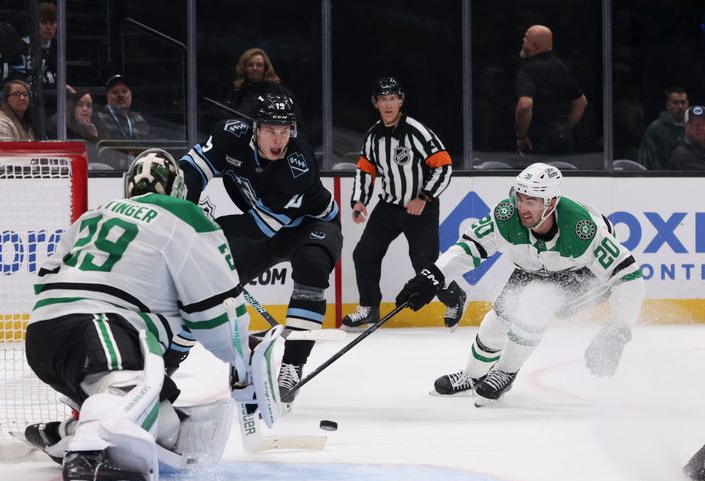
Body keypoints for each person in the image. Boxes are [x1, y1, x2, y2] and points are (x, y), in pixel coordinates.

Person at [24, 149, 281, 481]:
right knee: (123, 390)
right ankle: (87, 458)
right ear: (177, 188)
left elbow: (46, 278)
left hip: (42, 333)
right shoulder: (185, 214)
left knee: (167, 428)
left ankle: (65, 432)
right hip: (99, 325)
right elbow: (216, 312)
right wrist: (241, 357)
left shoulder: (96, 213)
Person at [395, 162, 644, 406]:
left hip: (579, 273)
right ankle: (474, 375)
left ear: (552, 203)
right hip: (533, 266)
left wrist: (617, 331)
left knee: (536, 303)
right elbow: (469, 247)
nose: (523, 208)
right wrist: (433, 276)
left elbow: (629, 275)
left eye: (531, 202)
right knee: (498, 319)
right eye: (520, 198)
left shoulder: (582, 230)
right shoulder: (506, 215)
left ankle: (505, 372)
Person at [178, 93, 342, 407]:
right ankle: (170, 359)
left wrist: (208, 232)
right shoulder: (230, 136)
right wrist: (185, 211)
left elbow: (258, 230)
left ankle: (291, 366)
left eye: (285, 130)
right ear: (255, 127)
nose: (279, 139)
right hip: (266, 229)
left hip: (313, 224)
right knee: (209, 284)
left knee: (311, 265)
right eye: (270, 130)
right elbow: (192, 170)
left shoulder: (299, 164)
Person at [342, 77, 463, 329]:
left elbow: (444, 166)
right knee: (364, 254)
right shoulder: (373, 135)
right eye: (383, 99)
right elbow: (365, 169)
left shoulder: (416, 131)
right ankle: (369, 308)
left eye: (392, 98)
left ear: (401, 101)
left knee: (424, 264)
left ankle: (455, 297)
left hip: (420, 207)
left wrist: (424, 197)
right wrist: (359, 201)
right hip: (389, 206)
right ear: (376, 104)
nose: (388, 104)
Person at [515, 25, 588, 156]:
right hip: (562, 138)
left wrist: (521, 135)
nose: (523, 40)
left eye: (526, 38)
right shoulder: (561, 67)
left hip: (537, 139)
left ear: (533, 45)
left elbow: (525, 105)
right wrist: (564, 127)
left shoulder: (528, 70)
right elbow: (581, 102)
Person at [224, 47, 302, 122]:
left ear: (266, 68)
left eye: (259, 65)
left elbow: (297, 124)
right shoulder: (235, 93)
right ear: (244, 68)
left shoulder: (281, 92)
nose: (254, 68)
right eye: (250, 65)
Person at [637, 87, 688, 170]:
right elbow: (645, 162)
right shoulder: (655, 129)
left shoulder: (695, 129)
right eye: (675, 102)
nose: (680, 106)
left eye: (683, 102)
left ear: (688, 104)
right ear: (668, 105)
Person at [93, 74, 150, 141]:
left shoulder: (139, 121)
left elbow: (145, 146)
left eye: (124, 91)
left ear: (130, 95)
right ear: (107, 97)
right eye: (115, 92)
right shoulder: (98, 120)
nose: (120, 95)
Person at [670, 105, 705, 170]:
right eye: (696, 124)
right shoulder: (681, 154)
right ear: (686, 127)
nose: (701, 128)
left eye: (704, 124)